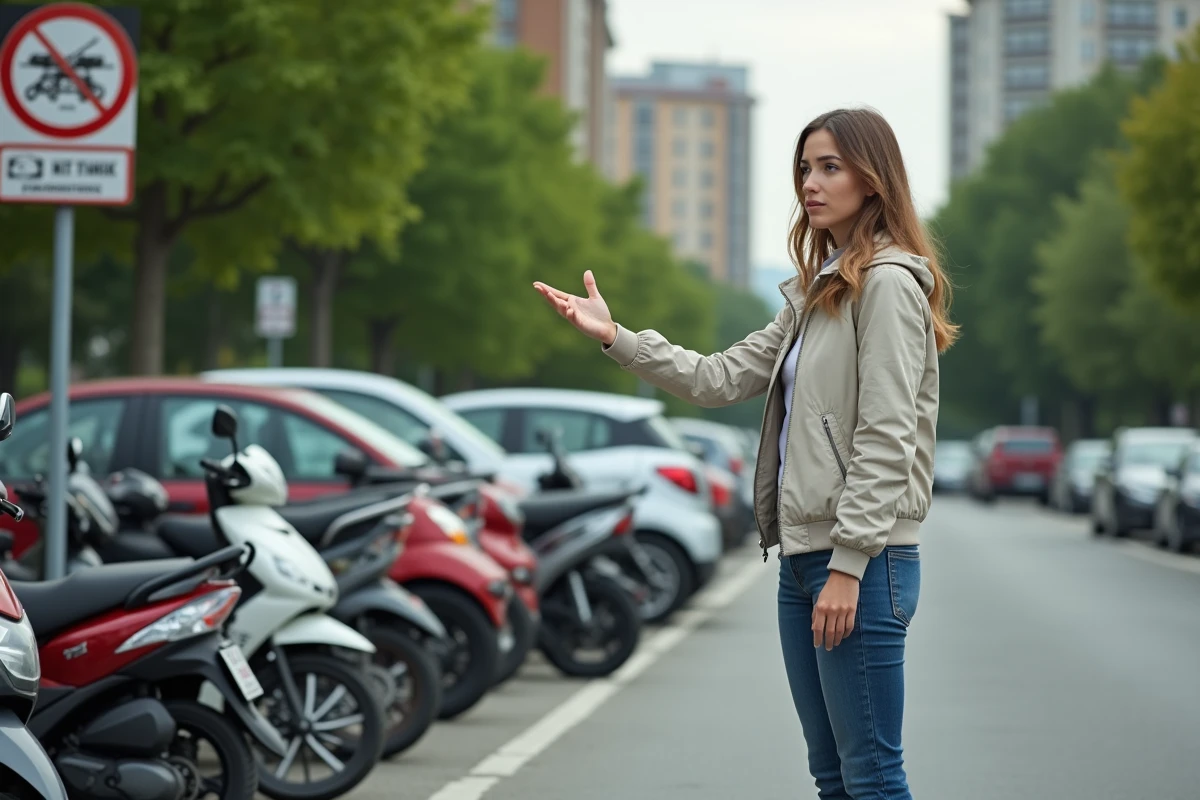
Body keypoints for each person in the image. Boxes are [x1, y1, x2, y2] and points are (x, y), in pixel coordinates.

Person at [533, 108, 957, 799]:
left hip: (863, 562)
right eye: (803, 168)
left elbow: (888, 436)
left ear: (873, 181)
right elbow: (718, 377)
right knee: (834, 779)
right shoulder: (818, 291)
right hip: (803, 562)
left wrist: (848, 566)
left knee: (873, 776)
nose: (810, 184)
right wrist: (617, 337)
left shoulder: (885, 285)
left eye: (829, 167)